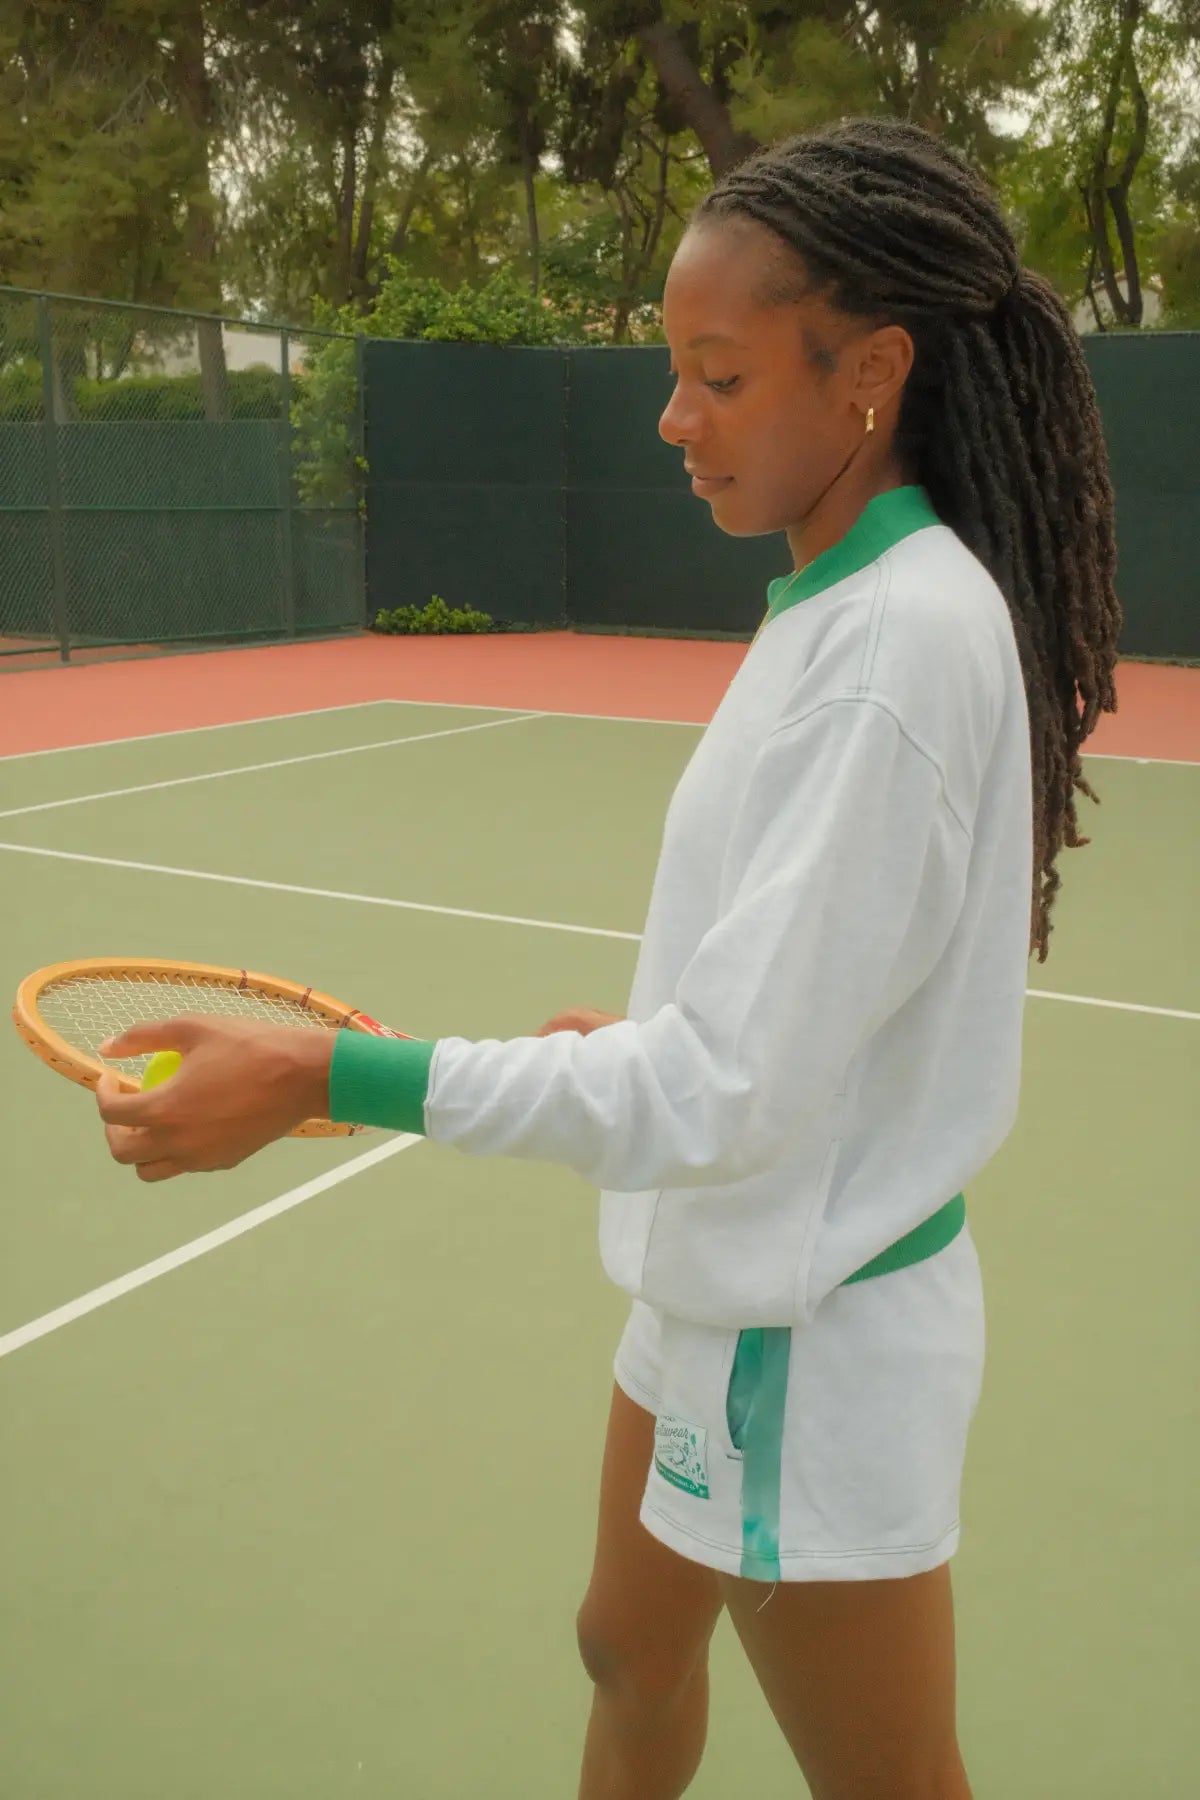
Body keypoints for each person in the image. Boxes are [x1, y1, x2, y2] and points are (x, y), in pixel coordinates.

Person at [97, 119, 1120, 1800]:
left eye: (720, 377)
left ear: (871, 374)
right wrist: (654, 1037)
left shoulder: (892, 653)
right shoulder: (837, 602)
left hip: (808, 1329)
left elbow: (724, 1091)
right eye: (672, 372)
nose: (673, 418)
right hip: (728, 1273)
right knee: (628, 1650)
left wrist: (324, 1073)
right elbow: (775, 1008)